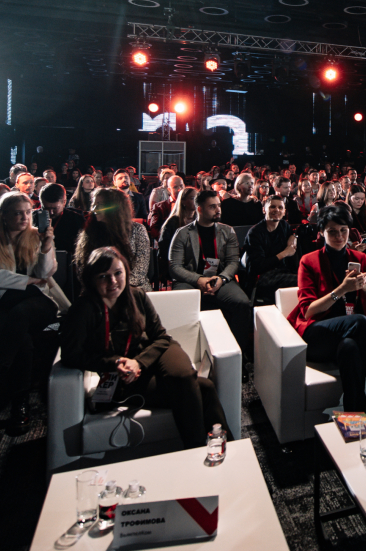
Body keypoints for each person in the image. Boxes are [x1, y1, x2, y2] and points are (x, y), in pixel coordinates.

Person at [60, 247, 231, 446]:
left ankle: (202, 449)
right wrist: (114, 363)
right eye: (103, 276)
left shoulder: (136, 295)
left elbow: (161, 337)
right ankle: (205, 448)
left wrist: (139, 362)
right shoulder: (83, 309)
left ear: (126, 272)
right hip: (124, 373)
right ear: (92, 279)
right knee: (205, 388)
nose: (113, 281)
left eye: (118, 273)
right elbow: (71, 355)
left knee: (183, 376)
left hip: (156, 351)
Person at [0, 191, 68, 435]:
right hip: (2, 305)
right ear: (4, 216)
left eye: (28, 213)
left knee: (19, 315)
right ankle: (20, 404)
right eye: (18, 213)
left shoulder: (38, 238)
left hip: (39, 303)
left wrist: (47, 246)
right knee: (23, 341)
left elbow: (46, 273)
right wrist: (28, 280)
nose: (24, 218)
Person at [286, 205, 366, 413]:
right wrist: (342, 289)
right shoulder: (309, 261)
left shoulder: (359, 258)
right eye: (332, 231)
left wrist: (365, 286)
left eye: (343, 230)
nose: (339, 236)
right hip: (318, 333)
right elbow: (308, 310)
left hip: (350, 336)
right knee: (360, 321)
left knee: (350, 348)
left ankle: (355, 414)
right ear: (322, 232)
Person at [169, 190, 253, 361]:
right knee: (181, 303)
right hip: (190, 280)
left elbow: (233, 262)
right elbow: (174, 267)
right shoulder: (182, 233)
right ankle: (184, 355)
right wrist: (198, 279)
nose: (218, 210)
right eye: (212, 207)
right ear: (199, 209)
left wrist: (221, 279)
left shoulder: (227, 231)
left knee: (242, 303)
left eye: (219, 206)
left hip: (219, 279)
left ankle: (237, 355)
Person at [75, 188, 151, 289]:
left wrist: (117, 287)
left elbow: (140, 271)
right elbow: (82, 268)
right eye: (94, 204)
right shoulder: (89, 232)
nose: (94, 209)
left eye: (100, 205)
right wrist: (102, 286)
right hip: (99, 289)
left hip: (132, 288)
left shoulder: (138, 230)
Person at [243, 195, 300, 292]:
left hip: (283, 271)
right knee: (303, 281)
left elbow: (296, 232)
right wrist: (285, 253)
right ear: (264, 210)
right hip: (262, 276)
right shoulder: (255, 233)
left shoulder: (284, 225)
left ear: (284, 212)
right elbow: (258, 266)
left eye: (280, 207)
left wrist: (294, 236)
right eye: (272, 207)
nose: (277, 210)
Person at [40, 182, 85, 255]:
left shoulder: (76, 219)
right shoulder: (33, 218)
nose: (51, 212)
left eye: (55, 208)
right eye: (46, 208)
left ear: (64, 202)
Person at [148, 174, 185, 240]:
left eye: (181, 186)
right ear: (169, 190)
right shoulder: (159, 207)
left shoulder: (190, 204)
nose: (179, 189)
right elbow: (154, 229)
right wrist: (164, 240)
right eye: (175, 187)